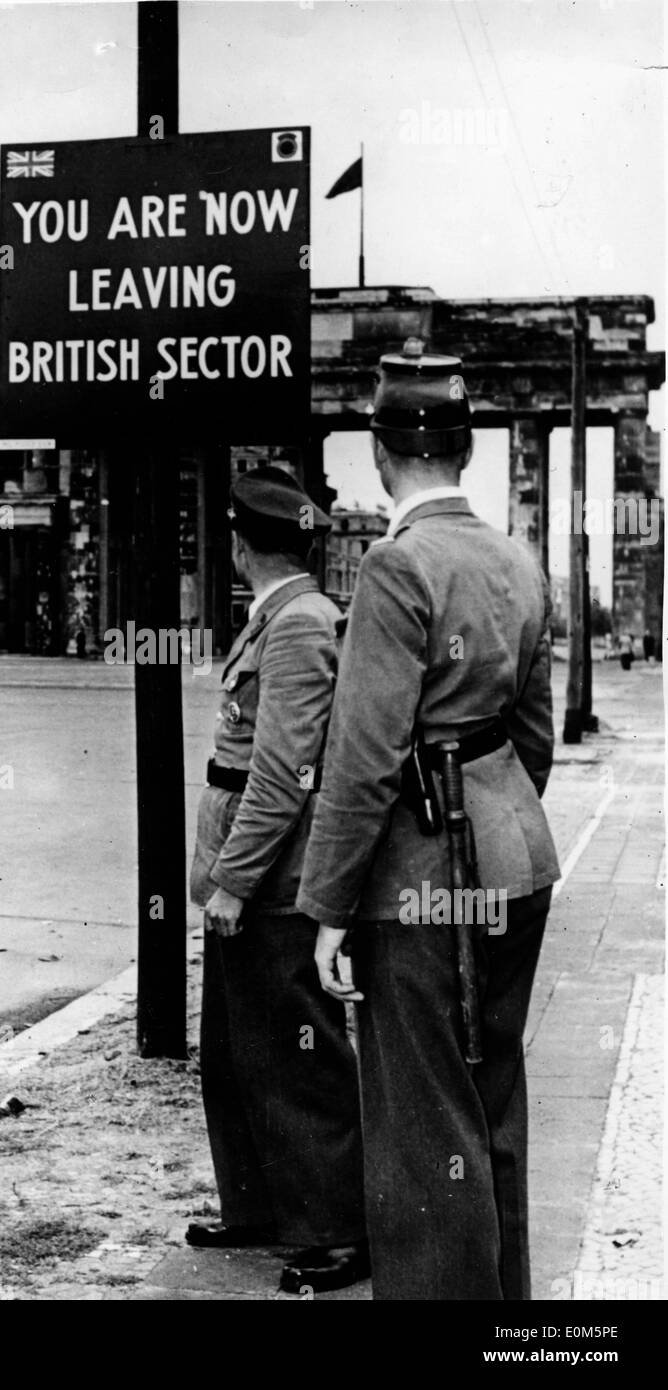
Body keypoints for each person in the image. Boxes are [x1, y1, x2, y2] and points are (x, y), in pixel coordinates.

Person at [296, 340, 560, 1301]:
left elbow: (361, 761)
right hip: (515, 861)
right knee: (492, 1104)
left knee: (420, 1131)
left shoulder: (396, 569)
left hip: (420, 882)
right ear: (466, 449)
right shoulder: (516, 561)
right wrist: (492, 817)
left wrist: (326, 906)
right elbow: (531, 740)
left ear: (380, 451)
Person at [186, 465, 368, 1296]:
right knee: (234, 1050)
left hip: (274, 878)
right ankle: (257, 1205)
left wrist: (232, 880)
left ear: (237, 544)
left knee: (298, 1055)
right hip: (249, 868)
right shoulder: (280, 615)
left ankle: (333, 1229)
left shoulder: (297, 626)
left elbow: (284, 772)